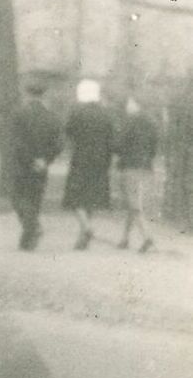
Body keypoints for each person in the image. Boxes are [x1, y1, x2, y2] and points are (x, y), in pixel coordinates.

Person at [62, 78, 115, 249]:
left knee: (75, 197)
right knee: (91, 198)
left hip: (81, 158)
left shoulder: (77, 113)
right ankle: (82, 237)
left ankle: (86, 227)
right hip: (101, 161)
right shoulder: (106, 114)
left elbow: (68, 131)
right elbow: (112, 138)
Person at [10, 80, 62, 250]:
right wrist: (45, 160)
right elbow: (58, 144)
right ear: (43, 95)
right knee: (35, 199)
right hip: (41, 166)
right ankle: (29, 239)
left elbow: (17, 142)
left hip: (22, 164)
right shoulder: (52, 116)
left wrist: (30, 159)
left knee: (18, 198)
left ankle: (32, 231)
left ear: (27, 94)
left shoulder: (19, 114)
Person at [115, 96, 160, 253]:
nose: (127, 106)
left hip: (130, 166)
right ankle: (124, 238)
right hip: (146, 167)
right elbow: (155, 146)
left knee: (133, 203)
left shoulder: (129, 122)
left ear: (136, 104)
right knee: (132, 201)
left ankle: (146, 236)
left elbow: (119, 144)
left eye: (129, 102)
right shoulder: (153, 122)